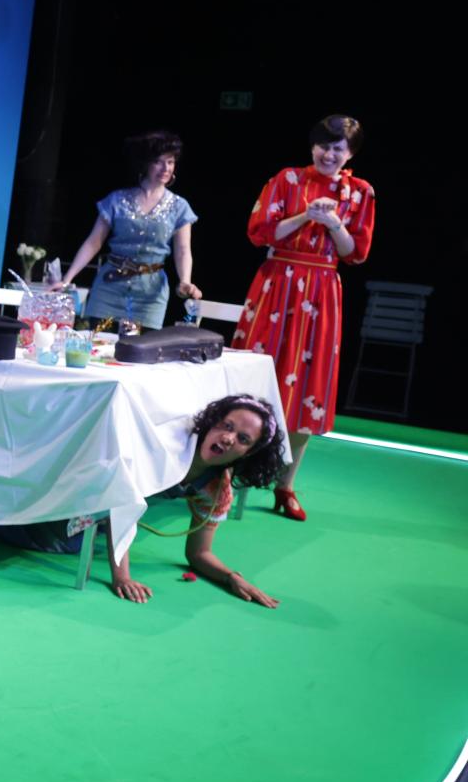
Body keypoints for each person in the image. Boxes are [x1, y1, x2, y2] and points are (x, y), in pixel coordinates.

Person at [232, 115, 376, 523]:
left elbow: (355, 253)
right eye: (323, 145)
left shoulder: (360, 192)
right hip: (277, 282)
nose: (329, 154)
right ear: (313, 146)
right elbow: (261, 233)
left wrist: (334, 223)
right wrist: (306, 216)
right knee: (254, 378)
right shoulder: (286, 179)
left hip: (322, 291)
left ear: (350, 154)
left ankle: (286, 484)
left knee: (310, 389)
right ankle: (226, 472)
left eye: (338, 149)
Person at [107, 394, 289, 607]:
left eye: (243, 439)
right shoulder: (166, 444)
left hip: (114, 512)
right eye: (227, 426)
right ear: (212, 422)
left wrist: (232, 577)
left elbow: (199, 553)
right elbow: (119, 502)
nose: (228, 438)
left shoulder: (217, 489)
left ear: (249, 453)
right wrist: (122, 576)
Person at [53, 130, 201, 330]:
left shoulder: (179, 206)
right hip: (110, 286)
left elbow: (183, 250)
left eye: (170, 162)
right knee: (98, 342)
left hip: (150, 294)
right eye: (158, 161)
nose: (166, 168)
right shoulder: (117, 200)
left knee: (140, 348)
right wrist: (67, 279)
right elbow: (94, 242)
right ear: (145, 163)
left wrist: (185, 280)